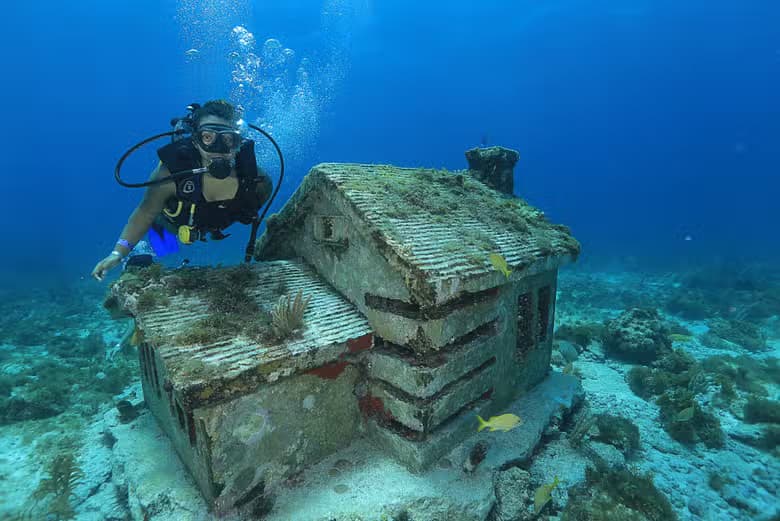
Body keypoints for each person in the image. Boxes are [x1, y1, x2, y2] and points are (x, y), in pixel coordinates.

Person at [92, 100, 273, 281]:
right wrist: (118, 253)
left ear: (238, 142)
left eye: (227, 139)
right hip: (173, 223)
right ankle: (141, 252)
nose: (218, 148)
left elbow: (259, 200)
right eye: (208, 137)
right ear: (195, 139)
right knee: (162, 248)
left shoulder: (256, 180)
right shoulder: (170, 176)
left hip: (214, 223)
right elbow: (145, 212)